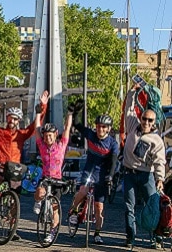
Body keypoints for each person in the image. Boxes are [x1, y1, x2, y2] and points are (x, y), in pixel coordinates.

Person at [0, 85, 48, 240]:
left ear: (18, 121)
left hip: (15, 169)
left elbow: (35, 125)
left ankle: (12, 229)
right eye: (10, 118)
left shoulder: (22, 134)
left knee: (15, 202)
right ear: (7, 119)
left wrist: (42, 106)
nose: (12, 121)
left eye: (15, 119)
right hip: (1, 166)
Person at [66, 102, 118, 245]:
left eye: (103, 127)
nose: (100, 129)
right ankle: (74, 211)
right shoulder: (91, 134)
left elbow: (113, 162)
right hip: (89, 170)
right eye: (98, 126)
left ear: (108, 129)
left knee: (98, 207)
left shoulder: (112, 144)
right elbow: (77, 125)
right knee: (83, 190)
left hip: (102, 175)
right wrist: (77, 112)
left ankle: (97, 234)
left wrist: (110, 176)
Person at [122, 84, 167, 249]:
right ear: (140, 118)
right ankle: (130, 237)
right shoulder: (133, 125)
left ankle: (156, 238)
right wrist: (132, 92)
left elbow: (159, 161)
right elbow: (128, 108)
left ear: (154, 122)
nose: (146, 122)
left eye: (150, 120)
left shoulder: (157, 140)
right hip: (129, 173)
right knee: (129, 207)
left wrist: (160, 179)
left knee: (153, 208)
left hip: (147, 174)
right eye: (144, 119)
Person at [32, 103, 72, 244]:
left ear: (55, 135)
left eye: (50, 135)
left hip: (57, 180)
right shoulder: (42, 146)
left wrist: (70, 113)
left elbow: (67, 128)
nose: (47, 138)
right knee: (39, 192)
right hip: (45, 177)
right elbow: (37, 129)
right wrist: (38, 113)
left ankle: (51, 232)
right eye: (46, 136)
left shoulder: (61, 146)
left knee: (55, 209)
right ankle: (38, 202)